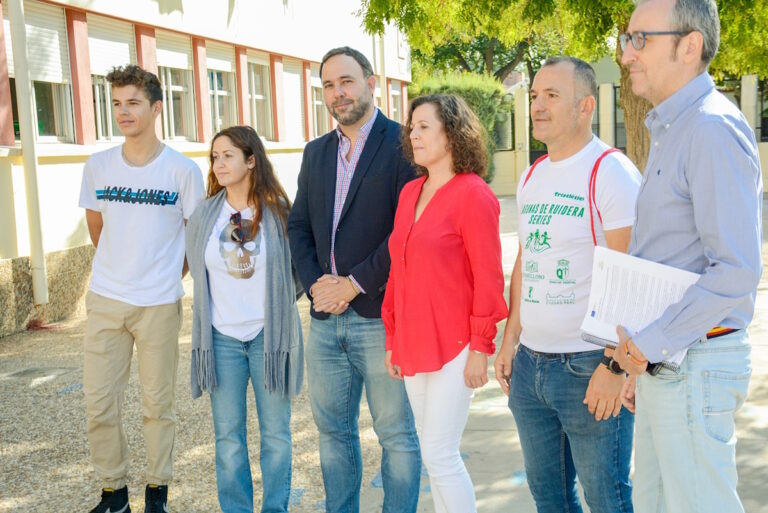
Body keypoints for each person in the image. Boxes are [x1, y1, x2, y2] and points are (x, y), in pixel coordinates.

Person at [613, 1, 762, 512]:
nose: (626, 54)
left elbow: (736, 271)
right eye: (626, 39)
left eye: (640, 40)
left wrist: (650, 345)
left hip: (693, 359)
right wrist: (642, 360)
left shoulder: (710, 129)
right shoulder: (676, 128)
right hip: (667, 362)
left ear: (689, 45)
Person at [494, 57, 641, 513]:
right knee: (550, 500)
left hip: (588, 367)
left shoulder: (611, 172)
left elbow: (633, 279)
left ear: (585, 107)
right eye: (535, 95)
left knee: (607, 501)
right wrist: (510, 337)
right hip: (530, 367)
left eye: (551, 95)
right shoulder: (532, 174)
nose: (537, 105)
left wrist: (617, 368)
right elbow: (527, 259)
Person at [286, 46, 421, 513]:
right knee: (332, 436)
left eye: (346, 81)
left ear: (371, 82)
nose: (337, 93)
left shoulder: (403, 145)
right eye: (328, 85)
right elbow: (298, 226)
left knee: (397, 436)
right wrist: (318, 284)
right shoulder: (316, 152)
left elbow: (406, 231)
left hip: (380, 317)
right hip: (325, 321)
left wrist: (354, 284)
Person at [79, 65, 204, 513]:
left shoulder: (182, 171)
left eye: (132, 102)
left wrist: (166, 274)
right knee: (99, 403)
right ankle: (113, 495)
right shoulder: (98, 166)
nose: (122, 111)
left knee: (157, 405)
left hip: (158, 304)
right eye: (116, 103)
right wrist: (122, 270)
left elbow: (194, 237)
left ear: (155, 107)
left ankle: (157, 494)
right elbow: (98, 229)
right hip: (107, 300)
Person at [382, 94, 508, 513]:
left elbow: (488, 279)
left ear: (451, 134)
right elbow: (398, 272)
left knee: (440, 453)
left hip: (456, 346)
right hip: (415, 342)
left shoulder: (474, 195)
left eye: (423, 127)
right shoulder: (409, 192)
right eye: (411, 127)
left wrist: (480, 348)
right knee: (432, 454)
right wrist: (393, 338)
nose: (413, 135)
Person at [185, 126, 303, 513]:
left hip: (268, 338)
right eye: (214, 157)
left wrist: (281, 307)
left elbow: (297, 270)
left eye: (228, 155)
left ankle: (275, 509)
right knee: (228, 438)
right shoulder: (204, 214)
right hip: (221, 339)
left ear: (251, 160)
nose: (219, 164)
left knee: (276, 435)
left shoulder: (279, 212)